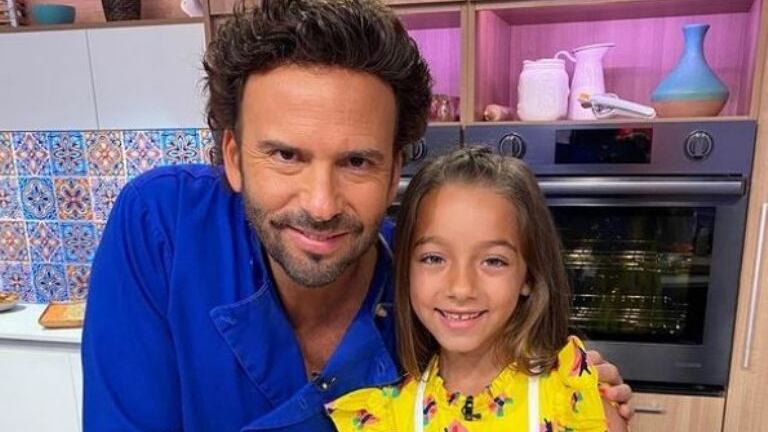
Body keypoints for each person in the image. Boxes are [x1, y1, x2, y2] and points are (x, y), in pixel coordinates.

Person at [81, 1, 632, 431]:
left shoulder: (428, 288)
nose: (321, 205)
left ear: (394, 173)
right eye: (286, 155)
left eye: (357, 162)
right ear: (233, 156)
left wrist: (578, 392)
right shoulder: (164, 226)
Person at [327, 147, 627, 432]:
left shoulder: (572, 398)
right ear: (406, 270)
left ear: (529, 275)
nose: (461, 288)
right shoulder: (388, 418)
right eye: (434, 258)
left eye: (493, 261)